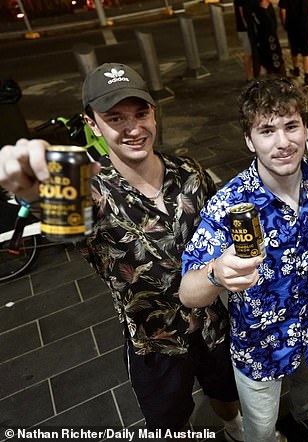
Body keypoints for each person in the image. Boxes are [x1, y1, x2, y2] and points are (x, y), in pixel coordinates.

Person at [0, 63, 244, 439]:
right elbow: (66, 218)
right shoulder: (95, 191)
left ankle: (233, 427)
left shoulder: (189, 171)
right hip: (154, 344)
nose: (134, 129)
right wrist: (33, 189)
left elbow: (221, 229)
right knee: (169, 419)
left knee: (227, 391)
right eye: (116, 118)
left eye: (141, 113)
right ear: (93, 124)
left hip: (213, 323)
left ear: (154, 113)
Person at [179, 78, 308, 442]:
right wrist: (215, 274)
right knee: (260, 428)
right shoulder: (230, 204)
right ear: (248, 140)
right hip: (261, 345)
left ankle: (305, 415)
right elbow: (187, 293)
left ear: (306, 128)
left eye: (292, 126)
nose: (283, 142)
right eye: (267, 130)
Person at [279, 0, 308, 87]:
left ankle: (296, 70)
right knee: (306, 52)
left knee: (294, 49)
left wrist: (284, 24)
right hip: (306, 26)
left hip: (292, 25)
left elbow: (283, 10)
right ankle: (307, 78)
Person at [248, 0, 286, 77]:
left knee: (267, 64)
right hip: (269, 43)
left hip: (265, 42)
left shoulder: (262, 9)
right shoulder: (261, 11)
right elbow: (270, 28)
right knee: (273, 64)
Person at [234, 0, 255, 81]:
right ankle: (249, 76)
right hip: (244, 29)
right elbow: (241, 10)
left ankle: (252, 73)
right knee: (248, 52)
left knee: (251, 52)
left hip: (250, 28)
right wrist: (247, 24)